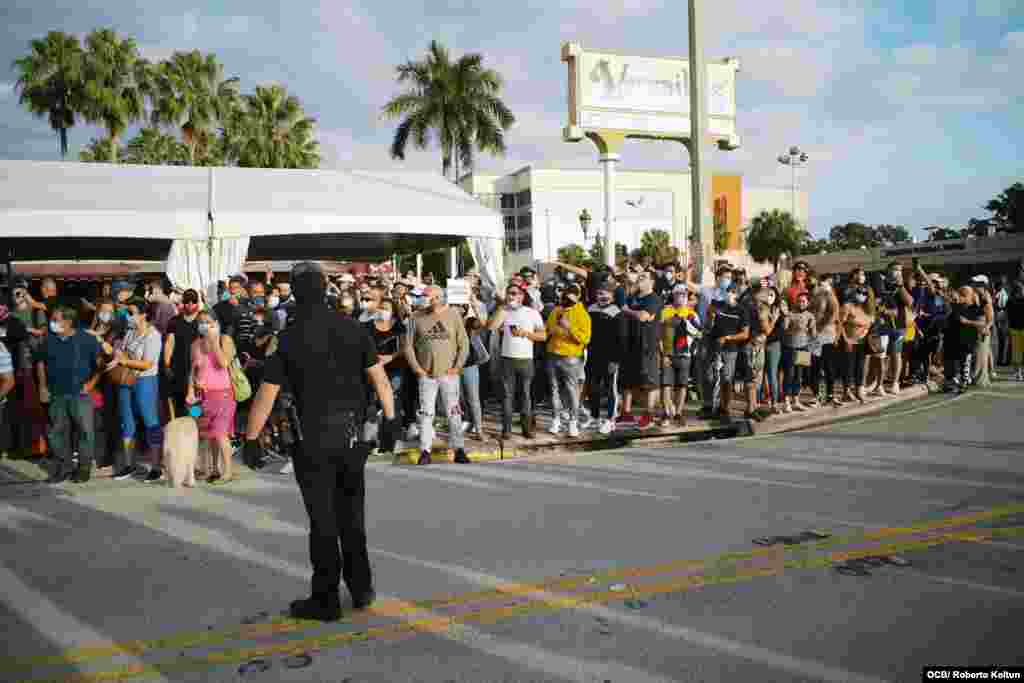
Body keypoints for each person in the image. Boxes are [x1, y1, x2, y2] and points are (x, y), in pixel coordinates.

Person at [243, 261, 396, 621]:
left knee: (323, 521)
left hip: (312, 440)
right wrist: (390, 421)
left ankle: (326, 598)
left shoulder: (291, 337)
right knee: (351, 516)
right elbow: (381, 381)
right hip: (352, 438)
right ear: (325, 287)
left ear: (295, 292)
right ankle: (361, 589)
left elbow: (267, 393)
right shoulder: (353, 330)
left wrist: (251, 438)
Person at [34, 304, 104, 483]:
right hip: (56, 393)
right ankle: (63, 468)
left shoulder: (86, 339)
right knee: (56, 432)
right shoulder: (48, 340)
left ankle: (83, 468)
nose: (52, 323)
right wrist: (42, 387)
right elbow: (40, 363)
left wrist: (91, 383)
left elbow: (100, 364)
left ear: (68, 322)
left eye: (56, 320)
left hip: (80, 394)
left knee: (85, 432)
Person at [404, 285, 470, 465]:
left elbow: (463, 343)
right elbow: (408, 345)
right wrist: (417, 368)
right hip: (426, 375)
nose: (428, 300)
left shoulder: (454, 314)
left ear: (440, 297)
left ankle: (459, 449)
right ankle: (425, 451)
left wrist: (457, 367)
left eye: (432, 297)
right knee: (426, 414)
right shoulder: (415, 317)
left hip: (449, 375)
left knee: (454, 413)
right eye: (426, 297)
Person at [107, 298, 164, 482]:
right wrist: (119, 355)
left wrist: (124, 361)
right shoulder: (130, 332)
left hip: (145, 381)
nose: (128, 316)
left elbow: (147, 363)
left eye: (131, 312)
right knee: (127, 421)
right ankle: (129, 464)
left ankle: (156, 466)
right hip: (126, 379)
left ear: (143, 314)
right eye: (127, 313)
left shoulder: (153, 335)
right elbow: (122, 350)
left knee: (150, 422)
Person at [488, 283, 546, 438]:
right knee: (507, 395)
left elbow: (543, 336)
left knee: (526, 395)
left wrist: (525, 334)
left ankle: (526, 429)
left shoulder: (532, 312)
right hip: (507, 358)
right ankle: (506, 430)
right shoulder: (504, 311)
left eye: (514, 293)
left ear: (521, 296)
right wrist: (502, 307)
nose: (511, 296)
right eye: (509, 293)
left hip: (526, 359)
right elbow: (492, 326)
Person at [544, 284, 592, 437]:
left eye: (571, 295)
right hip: (552, 354)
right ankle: (556, 420)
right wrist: (553, 328)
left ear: (578, 296)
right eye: (565, 294)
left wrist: (569, 328)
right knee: (554, 389)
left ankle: (573, 422)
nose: (567, 297)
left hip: (571, 357)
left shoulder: (582, 314)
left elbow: (585, 339)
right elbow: (547, 330)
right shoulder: (556, 311)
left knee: (572, 390)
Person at [619, 271, 663, 429]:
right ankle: (626, 414)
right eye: (639, 277)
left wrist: (627, 310)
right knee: (628, 379)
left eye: (643, 277)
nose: (639, 279)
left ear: (652, 282)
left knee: (649, 382)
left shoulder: (654, 299)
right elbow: (627, 307)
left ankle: (649, 415)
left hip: (647, 346)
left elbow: (644, 316)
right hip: (631, 344)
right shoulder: (633, 297)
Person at [700, 284, 750, 422]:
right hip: (713, 346)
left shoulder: (742, 311)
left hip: (730, 349)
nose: (730, 294)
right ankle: (708, 406)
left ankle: (725, 408)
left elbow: (745, 334)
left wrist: (728, 338)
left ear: (737, 294)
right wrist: (710, 315)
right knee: (709, 376)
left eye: (733, 292)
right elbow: (708, 325)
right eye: (728, 291)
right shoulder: (717, 304)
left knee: (726, 379)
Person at [585, 282, 628, 435]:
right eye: (600, 293)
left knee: (611, 390)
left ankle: (610, 420)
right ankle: (594, 416)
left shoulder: (617, 312)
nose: (602, 296)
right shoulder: (590, 309)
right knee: (592, 388)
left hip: (610, 358)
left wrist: (616, 360)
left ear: (612, 295)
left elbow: (622, 339)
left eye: (606, 293)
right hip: (592, 356)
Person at [658, 284, 702, 426]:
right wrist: (663, 354)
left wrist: (689, 325)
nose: (681, 297)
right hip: (668, 354)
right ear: (673, 294)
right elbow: (658, 335)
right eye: (678, 294)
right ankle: (666, 413)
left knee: (682, 385)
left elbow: (699, 334)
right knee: (666, 384)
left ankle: (678, 413)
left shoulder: (691, 313)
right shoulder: (665, 311)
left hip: (685, 354)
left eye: (683, 294)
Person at [162, 289, 202, 420]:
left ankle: (195, 425)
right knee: (179, 403)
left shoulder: (203, 320)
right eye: (186, 301)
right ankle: (181, 426)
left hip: (198, 368)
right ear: (182, 302)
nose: (190, 305)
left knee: (196, 403)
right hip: (178, 367)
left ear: (198, 303)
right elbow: (169, 343)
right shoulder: (174, 321)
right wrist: (167, 364)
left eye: (194, 301)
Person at [838, 281, 875, 403]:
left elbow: (870, 324)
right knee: (848, 367)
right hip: (849, 341)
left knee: (860, 367)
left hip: (863, 342)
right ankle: (846, 391)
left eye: (864, 293)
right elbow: (839, 323)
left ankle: (859, 390)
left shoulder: (868, 309)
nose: (861, 295)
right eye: (859, 292)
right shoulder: (847, 306)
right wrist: (846, 339)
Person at [1007, 281, 1024, 381]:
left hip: (1014, 329)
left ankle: (1018, 373)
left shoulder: (1010, 301)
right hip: (1019, 329)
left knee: (1016, 353)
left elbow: (1007, 316)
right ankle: (1019, 373)